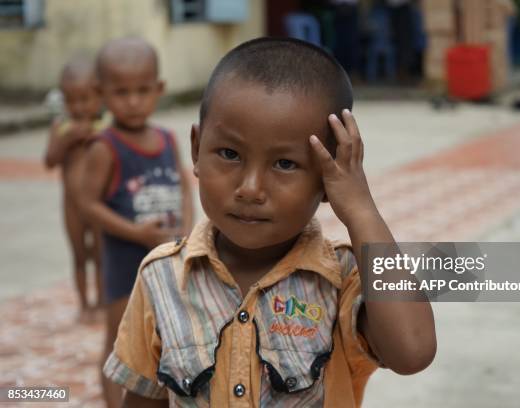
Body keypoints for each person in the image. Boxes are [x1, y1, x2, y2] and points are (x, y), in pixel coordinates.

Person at [103, 37, 436, 407]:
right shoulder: (161, 278)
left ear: (328, 178)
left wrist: (361, 209)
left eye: (284, 164)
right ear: (196, 149)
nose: (250, 189)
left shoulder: (343, 279)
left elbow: (413, 351)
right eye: (229, 154)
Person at [79, 37, 193, 408]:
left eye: (143, 91)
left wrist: (188, 233)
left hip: (167, 258)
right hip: (125, 262)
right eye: (121, 92)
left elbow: (183, 187)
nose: (133, 101)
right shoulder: (104, 146)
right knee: (119, 343)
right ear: (101, 93)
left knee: (161, 336)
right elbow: (87, 204)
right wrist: (136, 233)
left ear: (159, 89)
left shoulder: (166, 139)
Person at [43, 57, 108, 324]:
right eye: (71, 100)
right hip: (72, 205)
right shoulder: (61, 128)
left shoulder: (105, 128)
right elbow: (49, 161)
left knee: (102, 255)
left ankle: (103, 302)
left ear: (100, 96)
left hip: (100, 203)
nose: (79, 107)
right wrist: (65, 141)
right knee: (79, 255)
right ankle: (84, 304)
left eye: (85, 99)